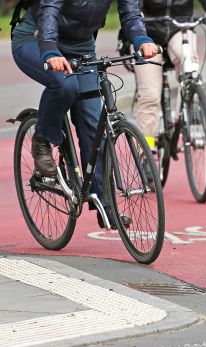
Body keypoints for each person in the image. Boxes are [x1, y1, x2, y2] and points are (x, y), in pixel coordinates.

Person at [11, 0, 158, 228]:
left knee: (92, 124)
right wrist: (50, 49)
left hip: (81, 46)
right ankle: (42, 139)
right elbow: (49, 10)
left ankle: (105, 206)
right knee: (64, 86)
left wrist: (141, 39)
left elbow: (130, 13)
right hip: (37, 38)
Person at [134, 0, 206, 149]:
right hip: (147, 33)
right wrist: (137, 14)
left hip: (180, 29)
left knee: (190, 68)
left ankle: (184, 116)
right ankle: (145, 150)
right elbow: (131, 5)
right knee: (149, 95)